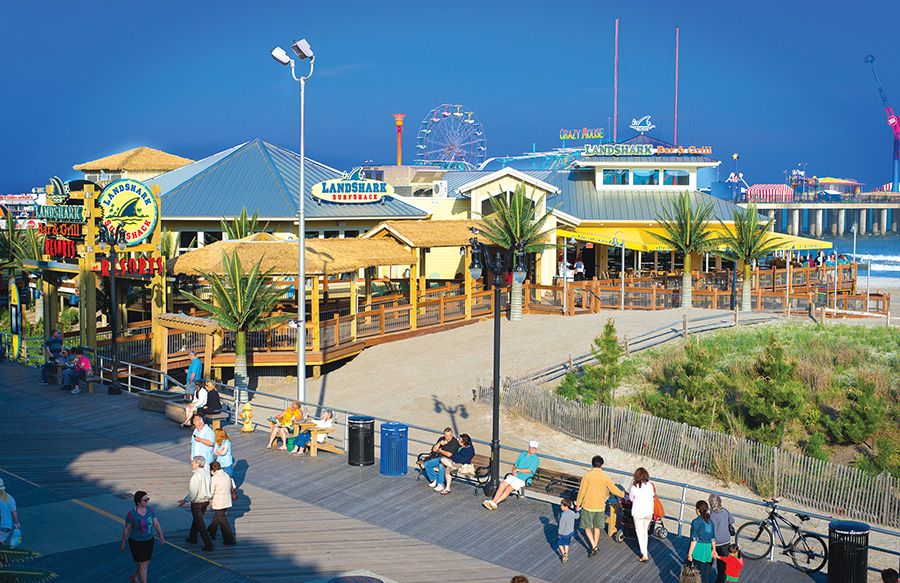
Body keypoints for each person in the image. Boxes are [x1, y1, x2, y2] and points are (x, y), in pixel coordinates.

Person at [575, 455, 624, 557]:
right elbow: (614, 489)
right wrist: (624, 495)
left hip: (588, 505)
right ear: (601, 464)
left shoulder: (587, 476)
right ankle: (595, 546)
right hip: (600, 506)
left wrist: (578, 504)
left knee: (587, 528)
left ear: (592, 463)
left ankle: (594, 546)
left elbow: (582, 491)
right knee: (597, 528)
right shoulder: (605, 477)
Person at [120, 490, 165, 583]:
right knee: (143, 565)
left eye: (148, 499)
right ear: (138, 502)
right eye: (145, 500)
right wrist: (123, 543)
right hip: (136, 542)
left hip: (149, 540)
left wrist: (161, 536)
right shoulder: (131, 515)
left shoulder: (150, 510)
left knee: (145, 563)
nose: (147, 501)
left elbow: (156, 524)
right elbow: (126, 530)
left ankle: (135, 577)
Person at [482, 441, 540, 510]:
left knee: (508, 488)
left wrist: (518, 470)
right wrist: (514, 470)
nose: (533, 449)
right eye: (532, 448)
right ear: (529, 447)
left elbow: (529, 470)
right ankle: (493, 501)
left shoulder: (536, 459)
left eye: (535, 448)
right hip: (515, 475)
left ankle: (495, 503)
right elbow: (515, 464)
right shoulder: (523, 454)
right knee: (502, 484)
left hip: (524, 478)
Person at [177, 456, 213, 551]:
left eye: (193, 462)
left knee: (200, 523)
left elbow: (193, 494)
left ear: (198, 463)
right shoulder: (206, 474)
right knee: (197, 520)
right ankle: (192, 538)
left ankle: (208, 544)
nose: (191, 463)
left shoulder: (196, 476)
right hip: (205, 501)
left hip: (197, 503)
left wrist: (184, 500)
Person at [628, 467, 655, 563]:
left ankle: (644, 554)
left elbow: (631, 498)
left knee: (640, 533)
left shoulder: (634, 488)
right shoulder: (650, 485)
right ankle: (645, 552)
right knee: (644, 532)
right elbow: (652, 495)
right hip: (648, 512)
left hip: (638, 513)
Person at [206, 461, 236, 546]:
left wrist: (206, 499)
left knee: (223, 520)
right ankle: (211, 531)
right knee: (218, 518)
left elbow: (211, 493)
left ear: (212, 470)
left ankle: (229, 539)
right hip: (227, 500)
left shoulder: (214, 478)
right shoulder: (227, 475)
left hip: (219, 501)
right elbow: (233, 486)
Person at [688, 500, 717, 583]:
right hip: (708, 551)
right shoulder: (710, 522)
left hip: (698, 550)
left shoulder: (696, 522)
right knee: (705, 574)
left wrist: (689, 554)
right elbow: (713, 538)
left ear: (697, 510)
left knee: (697, 575)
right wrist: (714, 550)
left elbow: (694, 540)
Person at [709, 493, 735, 583]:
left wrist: (713, 547)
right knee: (722, 568)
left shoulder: (712, 515)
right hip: (726, 542)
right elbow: (732, 521)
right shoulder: (725, 511)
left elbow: (713, 533)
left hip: (716, 544)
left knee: (708, 564)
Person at [557, 498, 579, 564]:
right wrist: (577, 511)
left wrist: (559, 533)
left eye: (561, 505)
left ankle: (564, 554)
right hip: (570, 532)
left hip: (564, 533)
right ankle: (566, 553)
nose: (560, 507)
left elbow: (561, 525)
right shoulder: (572, 512)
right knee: (567, 543)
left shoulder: (563, 515)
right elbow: (577, 516)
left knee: (560, 544)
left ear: (566, 506)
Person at [0, 479, 19, 547]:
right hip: (7, 527)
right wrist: (16, 523)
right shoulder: (10, 498)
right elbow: (14, 513)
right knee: (1, 541)